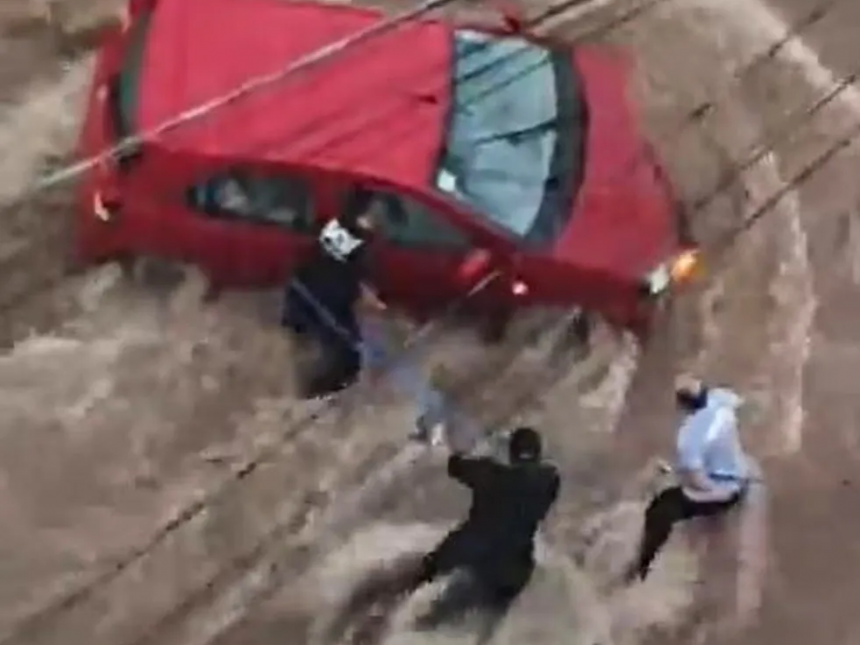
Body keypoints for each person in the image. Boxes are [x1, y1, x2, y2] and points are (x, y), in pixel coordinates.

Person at [323, 427, 559, 644]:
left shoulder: (491, 474)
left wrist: (473, 451)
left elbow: (456, 466)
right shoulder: (548, 482)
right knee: (483, 620)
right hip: (511, 572)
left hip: (464, 555)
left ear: (512, 452)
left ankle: (370, 632)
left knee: (411, 591)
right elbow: (537, 475)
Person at [625, 374, 751, 583]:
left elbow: (698, 481)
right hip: (737, 470)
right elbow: (744, 406)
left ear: (682, 405)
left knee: (661, 508)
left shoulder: (690, 437)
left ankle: (640, 568)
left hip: (723, 489)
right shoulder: (721, 399)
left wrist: (713, 493)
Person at [281, 200, 385, 398]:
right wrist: (374, 305)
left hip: (303, 287)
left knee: (312, 336)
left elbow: (321, 253)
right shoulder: (361, 250)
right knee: (349, 352)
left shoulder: (340, 223)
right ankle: (316, 391)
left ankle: (307, 353)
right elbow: (353, 285)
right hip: (322, 300)